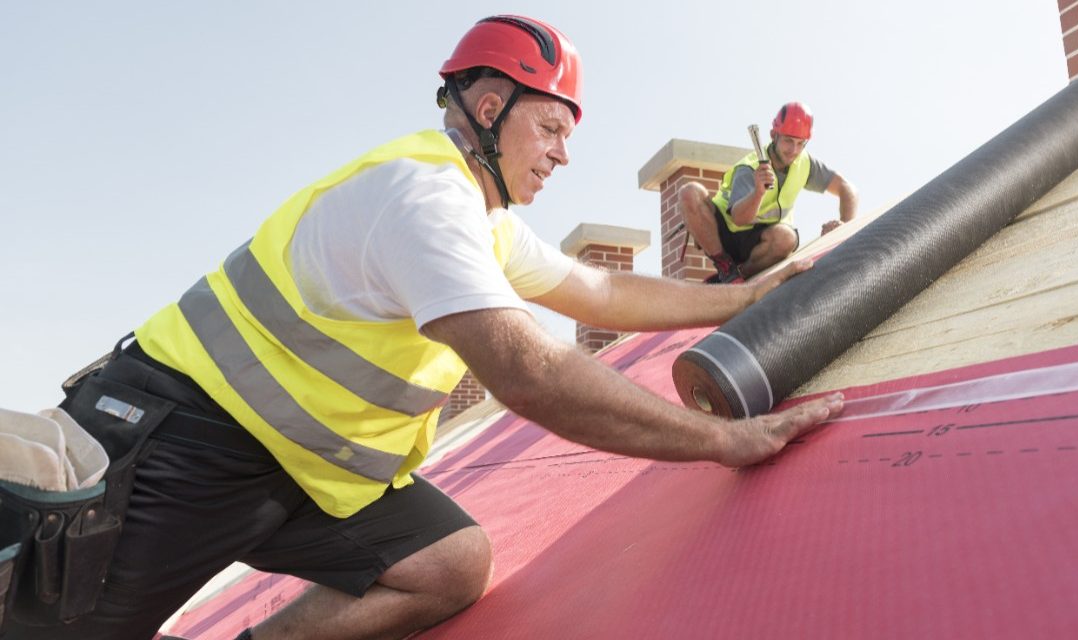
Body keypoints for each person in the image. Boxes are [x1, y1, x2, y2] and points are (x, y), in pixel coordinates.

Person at [9, 15, 843, 640]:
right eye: (550, 127)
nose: (561, 153)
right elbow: (533, 375)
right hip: (183, 448)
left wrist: (745, 299)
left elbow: (597, 290)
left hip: (304, 481)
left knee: (448, 565)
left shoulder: (483, 220)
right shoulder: (424, 199)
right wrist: (725, 443)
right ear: (490, 105)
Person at [677, 102, 859, 283]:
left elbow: (847, 189)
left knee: (786, 238)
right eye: (788, 140)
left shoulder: (804, 163)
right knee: (689, 192)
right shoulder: (749, 167)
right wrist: (758, 192)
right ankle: (725, 268)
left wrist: (844, 229)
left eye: (800, 143)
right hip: (725, 234)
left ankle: (738, 276)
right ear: (774, 135)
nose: (793, 150)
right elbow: (739, 219)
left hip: (761, 242)